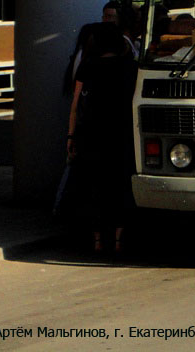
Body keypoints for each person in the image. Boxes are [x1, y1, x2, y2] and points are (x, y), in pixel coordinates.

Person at [66, 22, 137, 254]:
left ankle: (97, 239)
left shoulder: (88, 66)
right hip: (121, 133)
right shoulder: (130, 67)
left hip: (91, 134)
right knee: (121, 185)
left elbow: (76, 105)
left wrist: (70, 135)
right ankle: (118, 239)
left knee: (94, 186)